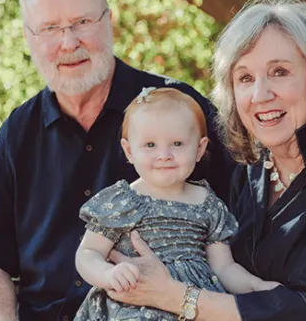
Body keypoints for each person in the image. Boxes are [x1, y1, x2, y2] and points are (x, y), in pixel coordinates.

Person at [100, 0, 306, 320]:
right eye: (245, 78)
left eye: (279, 72)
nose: (260, 95)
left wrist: (172, 296)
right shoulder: (255, 169)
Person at [0, 0, 234, 321]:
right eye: (50, 28)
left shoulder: (179, 109)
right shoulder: (16, 134)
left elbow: (245, 224)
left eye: (82, 22)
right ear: (29, 38)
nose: (69, 42)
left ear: (109, 22)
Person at [73, 88, 279, 320]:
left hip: (195, 305)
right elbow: (88, 253)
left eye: (177, 143)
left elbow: (224, 268)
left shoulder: (208, 203)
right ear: (129, 151)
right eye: (150, 145)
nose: (164, 155)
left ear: (199, 149)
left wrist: (255, 287)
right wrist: (108, 274)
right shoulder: (122, 200)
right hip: (134, 306)